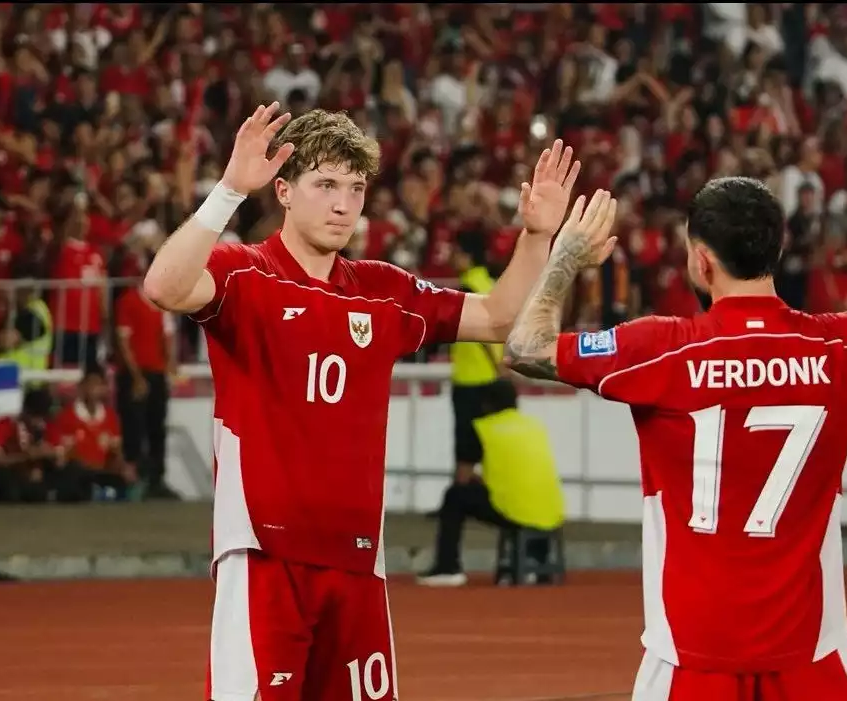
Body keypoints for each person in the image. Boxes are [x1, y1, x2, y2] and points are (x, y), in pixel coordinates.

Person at [141, 103, 607, 701]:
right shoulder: (245, 274)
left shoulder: (383, 290)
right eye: (326, 185)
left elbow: (498, 319)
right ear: (283, 190)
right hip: (266, 555)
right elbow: (164, 287)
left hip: (360, 560)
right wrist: (230, 189)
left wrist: (537, 236)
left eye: (356, 188)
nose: (343, 205)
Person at [505, 150, 847, 700]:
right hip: (813, 658)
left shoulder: (661, 348)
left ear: (701, 261)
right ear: (777, 251)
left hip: (691, 660)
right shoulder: (840, 344)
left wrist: (564, 257)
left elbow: (524, 347)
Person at [418, 381, 565, 587]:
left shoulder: (482, 428)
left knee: (455, 495)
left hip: (514, 510)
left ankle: (447, 567)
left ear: (486, 404)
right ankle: (537, 565)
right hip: (552, 511)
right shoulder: (534, 426)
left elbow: (463, 477)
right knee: (525, 500)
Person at [448, 230, 508, 485]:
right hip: (492, 381)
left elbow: (476, 328)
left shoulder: (466, 289)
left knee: (466, 447)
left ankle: (458, 501)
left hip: (469, 381)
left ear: (467, 256)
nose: (451, 257)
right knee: (490, 446)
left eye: (456, 252)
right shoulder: (492, 285)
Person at [114, 284, 178, 499]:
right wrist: (136, 377)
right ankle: (135, 480)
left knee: (157, 428)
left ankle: (156, 480)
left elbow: (168, 334)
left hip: (156, 373)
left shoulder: (164, 301)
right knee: (133, 427)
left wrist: (170, 363)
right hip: (136, 373)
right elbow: (124, 342)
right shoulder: (129, 300)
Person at [48, 366, 137, 502]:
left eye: (99, 385)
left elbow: (115, 451)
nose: (95, 389)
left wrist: (123, 466)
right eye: (91, 384)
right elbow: (63, 454)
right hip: (78, 473)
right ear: (82, 388)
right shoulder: (66, 416)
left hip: (101, 472)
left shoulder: (111, 417)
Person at [0, 388, 56, 503]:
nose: (39, 421)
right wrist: (25, 456)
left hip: (33, 479)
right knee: (4, 478)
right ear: (25, 411)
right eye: (36, 416)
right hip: (10, 478)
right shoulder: (5, 424)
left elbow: (60, 455)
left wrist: (52, 455)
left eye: (43, 416)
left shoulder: (47, 427)